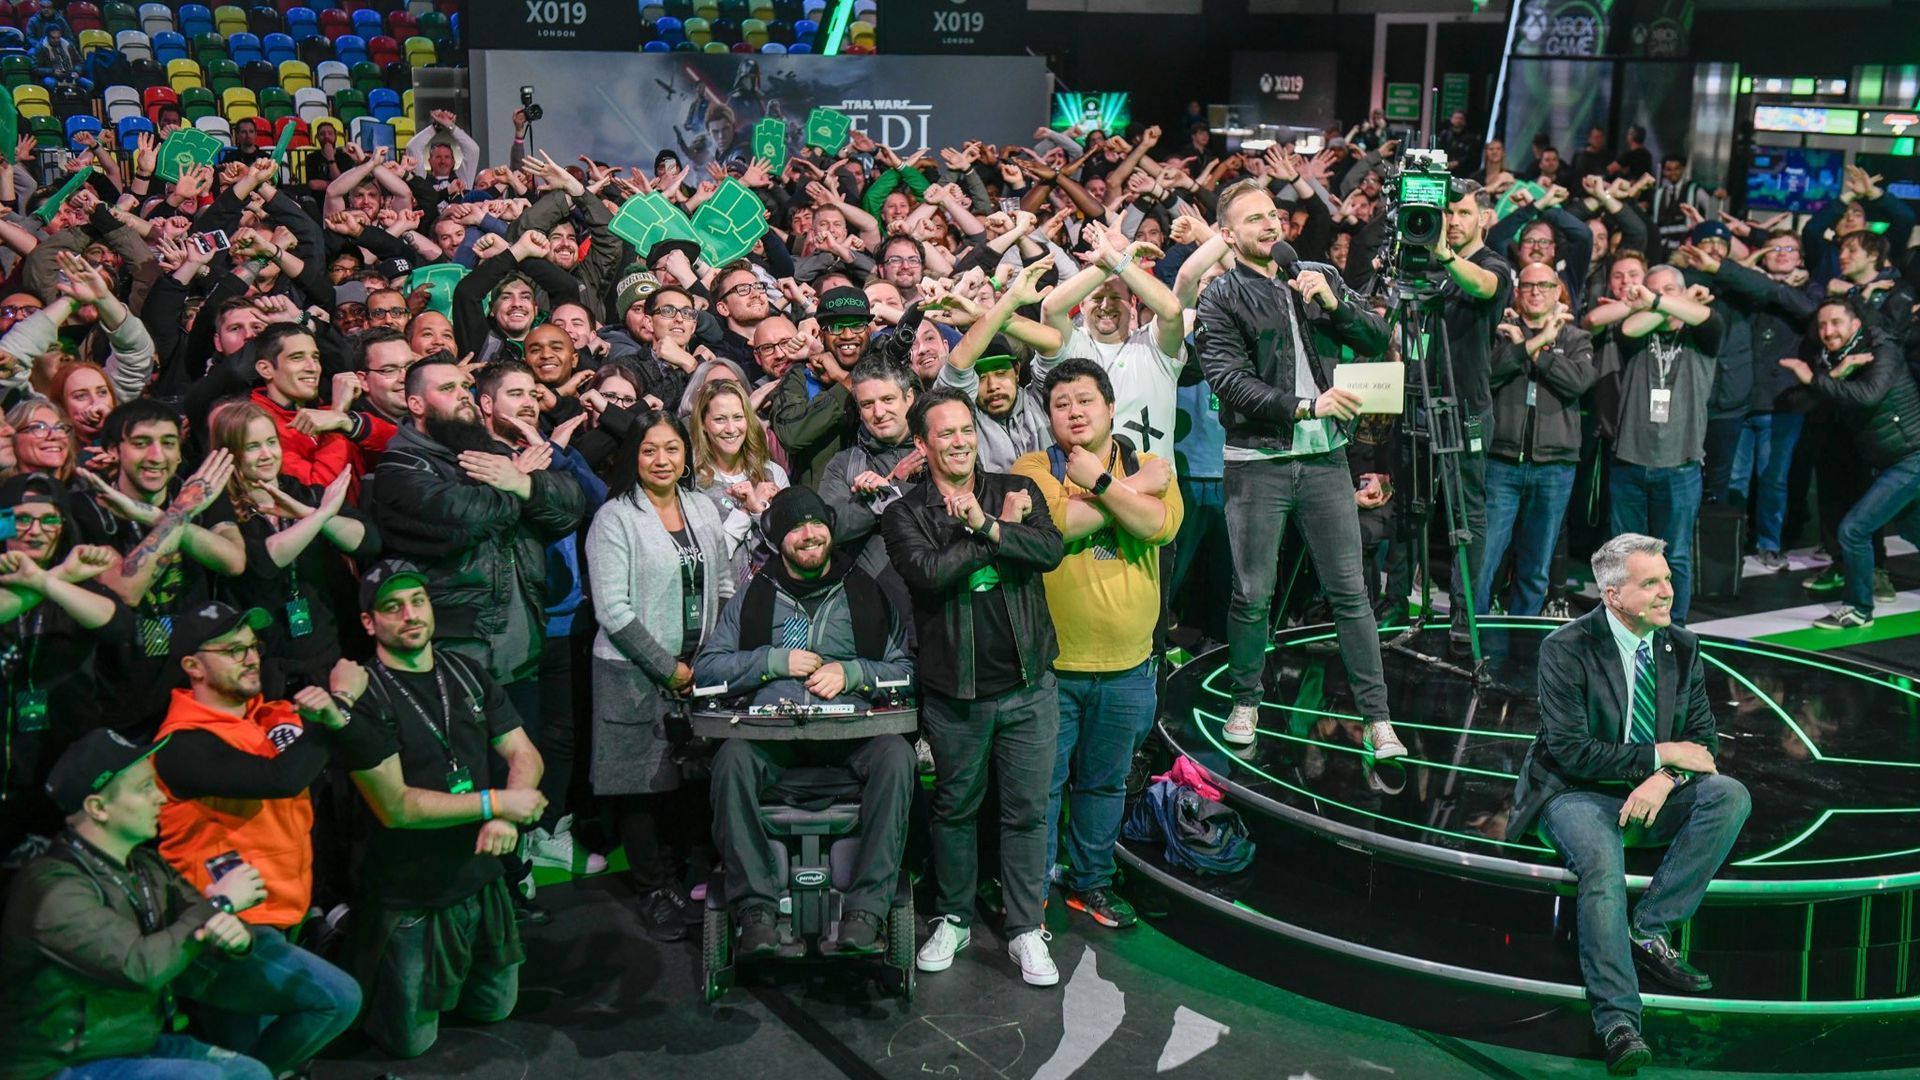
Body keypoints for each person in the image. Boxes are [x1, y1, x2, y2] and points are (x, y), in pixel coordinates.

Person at [1507, 533, 1750, 1076]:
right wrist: (1661, 755)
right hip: (1573, 790)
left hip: (1649, 787)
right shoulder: (1566, 648)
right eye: (1652, 583)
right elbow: (1572, 751)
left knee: (1729, 796)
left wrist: (1663, 778)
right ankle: (1618, 1021)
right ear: (1613, 595)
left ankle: (1650, 928)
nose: (1668, 591)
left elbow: (1703, 743)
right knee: (1602, 865)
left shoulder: (1680, 646)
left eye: (1667, 579)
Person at [1194, 181, 1406, 758]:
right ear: (1227, 234)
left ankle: (1378, 718)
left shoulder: (1317, 275)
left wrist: (1335, 305)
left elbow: (1378, 336)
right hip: (1257, 463)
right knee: (1252, 594)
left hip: (1324, 460)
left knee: (1351, 593)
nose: (1270, 225)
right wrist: (1308, 407)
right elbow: (1229, 381)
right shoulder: (1220, 297)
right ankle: (1246, 700)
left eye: (1273, 214)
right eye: (1254, 219)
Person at [882, 386, 1065, 986]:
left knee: (1027, 812)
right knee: (955, 809)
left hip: (1028, 686)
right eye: (946, 433)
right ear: (922, 443)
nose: (960, 441)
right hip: (956, 694)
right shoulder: (904, 514)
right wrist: (994, 533)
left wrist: (986, 522)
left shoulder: (1017, 488)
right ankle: (955, 918)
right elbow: (930, 573)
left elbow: (1049, 550)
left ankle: (1024, 928)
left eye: (966, 429)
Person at [694, 486, 916, 956]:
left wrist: (854, 673)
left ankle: (866, 911)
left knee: (897, 756)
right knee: (731, 760)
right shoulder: (754, 595)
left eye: (816, 523)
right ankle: (755, 911)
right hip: (773, 742)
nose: (809, 534)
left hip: (851, 740)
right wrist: (771, 662)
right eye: (795, 527)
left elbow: (905, 671)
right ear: (778, 539)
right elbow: (708, 669)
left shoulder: (866, 592)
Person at [149, 602, 365, 1076]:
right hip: (222, 926)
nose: (250, 658)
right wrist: (341, 703)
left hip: (280, 910)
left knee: (256, 1046)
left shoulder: (267, 715)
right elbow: (279, 779)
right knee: (335, 1001)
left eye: (252, 647)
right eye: (233, 650)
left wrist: (332, 718)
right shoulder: (180, 743)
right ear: (193, 666)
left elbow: (354, 750)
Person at [342, 562, 546, 1059]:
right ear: (369, 622)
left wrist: (504, 817)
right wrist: (495, 802)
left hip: (480, 879)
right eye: (393, 607)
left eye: (418, 601)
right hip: (411, 893)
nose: (410, 615)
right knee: (410, 1045)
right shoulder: (364, 694)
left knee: (495, 1010)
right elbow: (396, 807)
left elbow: (525, 754)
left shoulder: (465, 672)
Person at [1012, 359, 1181, 928]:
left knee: (1105, 785)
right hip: (1052, 668)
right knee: (1041, 790)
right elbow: (1056, 525)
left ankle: (1091, 884)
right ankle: (1030, 895)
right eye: (1061, 405)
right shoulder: (1035, 467)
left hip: (1129, 667)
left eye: (1085, 400)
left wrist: (1104, 486)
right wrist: (1127, 495)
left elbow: (1158, 526)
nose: (1074, 412)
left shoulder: (1151, 462)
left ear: (1110, 407)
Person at [0, 730, 274, 1080]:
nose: (161, 797)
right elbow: (141, 966)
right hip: (60, 1062)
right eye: (145, 788)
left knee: (250, 1073)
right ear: (98, 808)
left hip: (129, 1042)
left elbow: (200, 916)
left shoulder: (145, 865)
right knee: (203, 1078)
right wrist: (220, 904)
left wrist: (236, 939)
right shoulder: (54, 889)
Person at [585, 409, 737, 942]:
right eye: (649, 450)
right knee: (641, 787)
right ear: (633, 455)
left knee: (691, 784)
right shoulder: (615, 517)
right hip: (633, 671)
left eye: (672, 448)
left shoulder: (700, 505)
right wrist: (667, 668)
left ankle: (690, 877)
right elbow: (613, 609)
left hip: (699, 668)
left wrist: (713, 657)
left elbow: (724, 583)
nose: (662, 460)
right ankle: (653, 889)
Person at [369, 353, 586, 725]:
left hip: (519, 652)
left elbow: (570, 507)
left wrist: (521, 483)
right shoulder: (401, 465)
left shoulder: (493, 452)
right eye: (447, 388)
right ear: (416, 404)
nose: (463, 394)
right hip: (453, 658)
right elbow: (465, 521)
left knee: (527, 759)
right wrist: (515, 485)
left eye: (464, 386)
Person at [77, 402, 247, 738]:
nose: (157, 456)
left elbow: (233, 561)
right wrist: (181, 512)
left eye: (168, 443)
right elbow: (127, 589)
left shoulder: (198, 491)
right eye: (141, 443)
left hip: (198, 693)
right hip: (122, 702)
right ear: (113, 451)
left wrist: (158, 515)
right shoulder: (86, 507)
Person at [211, 397, 378, 697]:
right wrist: (320, 516)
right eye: (252, 447)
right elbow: (261, 563)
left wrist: (308, 513)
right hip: (266, 667)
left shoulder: (303, 494)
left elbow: (367, 542)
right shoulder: (218, 509)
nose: (267, 454)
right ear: (231, 454)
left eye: (271, 442)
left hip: (329, 653)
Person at [0, 474, 124, 866]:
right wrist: (59, 577)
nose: (35, 530)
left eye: (49, 520)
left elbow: (116, 625)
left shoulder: (80, 580)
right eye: (21, 519)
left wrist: (49, 581)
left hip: (63, 756)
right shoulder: (68, 575)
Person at [1778, 298, 1920, 629]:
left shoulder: (1882, 351)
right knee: (1913, 529)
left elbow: (1868, 394)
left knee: (1854, 530)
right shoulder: (1833, 359)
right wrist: (1834, 374)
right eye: (1822, 325)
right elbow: (1800, 402)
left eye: (1836, 323)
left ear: (1855, 325)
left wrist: (1815, 379)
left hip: (1911, 455)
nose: (1828, 331)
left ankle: (1858, 609)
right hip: (1888, 460)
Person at [1598, 267, 1723, 622]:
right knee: (1625, 556)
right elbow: (1628, 328)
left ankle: (1673, 627)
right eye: (1652, 291)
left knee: (1676, 556)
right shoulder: (1639, 333)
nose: (1660, 297)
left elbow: (1709, 319)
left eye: (1669, 290)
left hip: (1680, 465)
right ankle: (1626, 621)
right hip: (1629, 461)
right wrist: (1671, 302)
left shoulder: (1703, 335)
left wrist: (1658, 301)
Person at [1480, 263, 1596, 615]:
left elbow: (1578, 382)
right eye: (1528, 285)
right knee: (1484, 560)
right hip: (1502, 462)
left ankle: (1523, 637)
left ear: (1557, 291)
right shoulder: (1500, 331)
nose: (1535, 291)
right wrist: (1528, 344)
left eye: (1544, 285)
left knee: (1536, 566)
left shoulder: (1575, 338)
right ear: (1517, 292)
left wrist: (1536, 350)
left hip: (1554, 466)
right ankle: (1470, 631)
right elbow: (1487, 375)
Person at [1035, 221, 1186, 463]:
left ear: (1133, 304)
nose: (1106, 305)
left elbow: (1172, 311)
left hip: (1154, 485)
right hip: (1083, 484)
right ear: (1081, 305)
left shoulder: (1153, 346)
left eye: (1116, 297)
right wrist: (1113, 258)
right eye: (1097, 298)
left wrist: (1116, 259)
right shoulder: (1071, 346)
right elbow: (1050, 308)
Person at [690, 378, 788, 576]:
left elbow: (791, 548)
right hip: (724, 593)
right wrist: (744, 512)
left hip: (774, 590)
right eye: (720, 419)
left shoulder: (773, 473)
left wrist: (760, 512)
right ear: (703, 424)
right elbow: (704, 562)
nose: (731, 429)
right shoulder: (692, 484)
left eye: (737, 417)